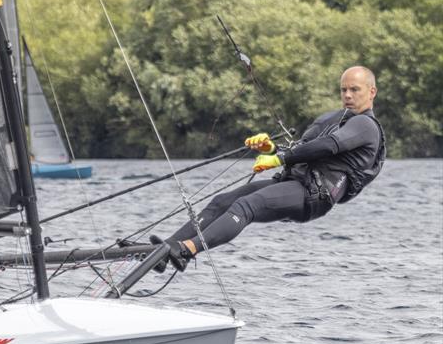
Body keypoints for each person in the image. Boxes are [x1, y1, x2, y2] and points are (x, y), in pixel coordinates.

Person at [153, 66, 386, 273]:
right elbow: (303, 148)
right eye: (343, 90)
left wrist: (279, 159)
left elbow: (327, 146)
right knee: (221, 202)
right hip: (293, 182)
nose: (347, 95)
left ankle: (186, 250)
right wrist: (271, 148)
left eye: (354, 90)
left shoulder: (365, 125)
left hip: (313, 196)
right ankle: (165, 249)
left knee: (246, 206)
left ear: (371, 92)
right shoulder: (333, 118)